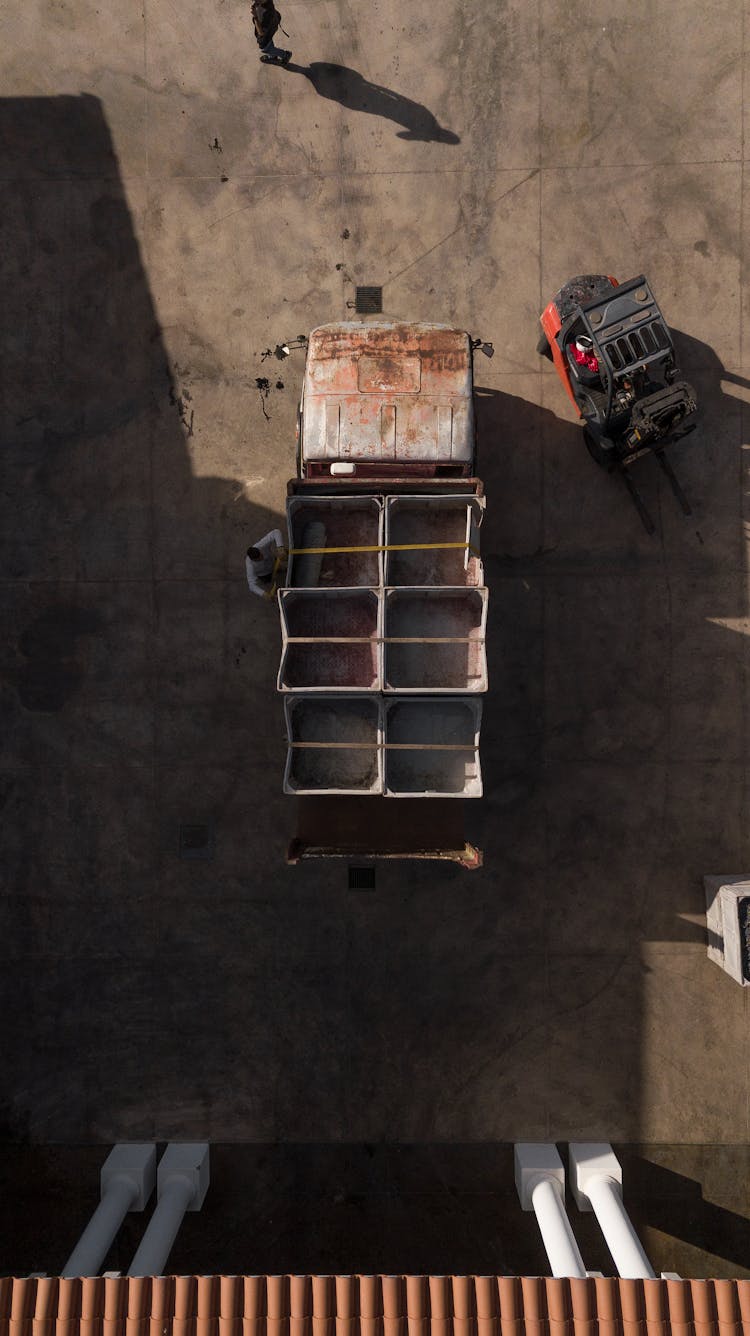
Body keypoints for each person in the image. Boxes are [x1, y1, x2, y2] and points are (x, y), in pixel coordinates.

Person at [246, 529, 284, 597]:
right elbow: (252, 585)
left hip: (273, 562)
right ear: (253, 560)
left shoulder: (261, 545)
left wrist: (280, 548)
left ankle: (281, 569)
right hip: (264, 574)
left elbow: (276, 532)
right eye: (259, 559)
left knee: (280, 568)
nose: (262, 558)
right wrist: (264, 594)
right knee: (269, 582)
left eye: (261, 555)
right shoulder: (250, 566)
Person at [251, 0, 292, 65]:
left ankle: (285, 55)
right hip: (272, 25)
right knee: (269, 42)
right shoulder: (265, 3)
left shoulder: (267, 13)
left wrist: (255, 16)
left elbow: (261, 33)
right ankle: (272, 56)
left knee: (265, 48)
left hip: (267, 30)